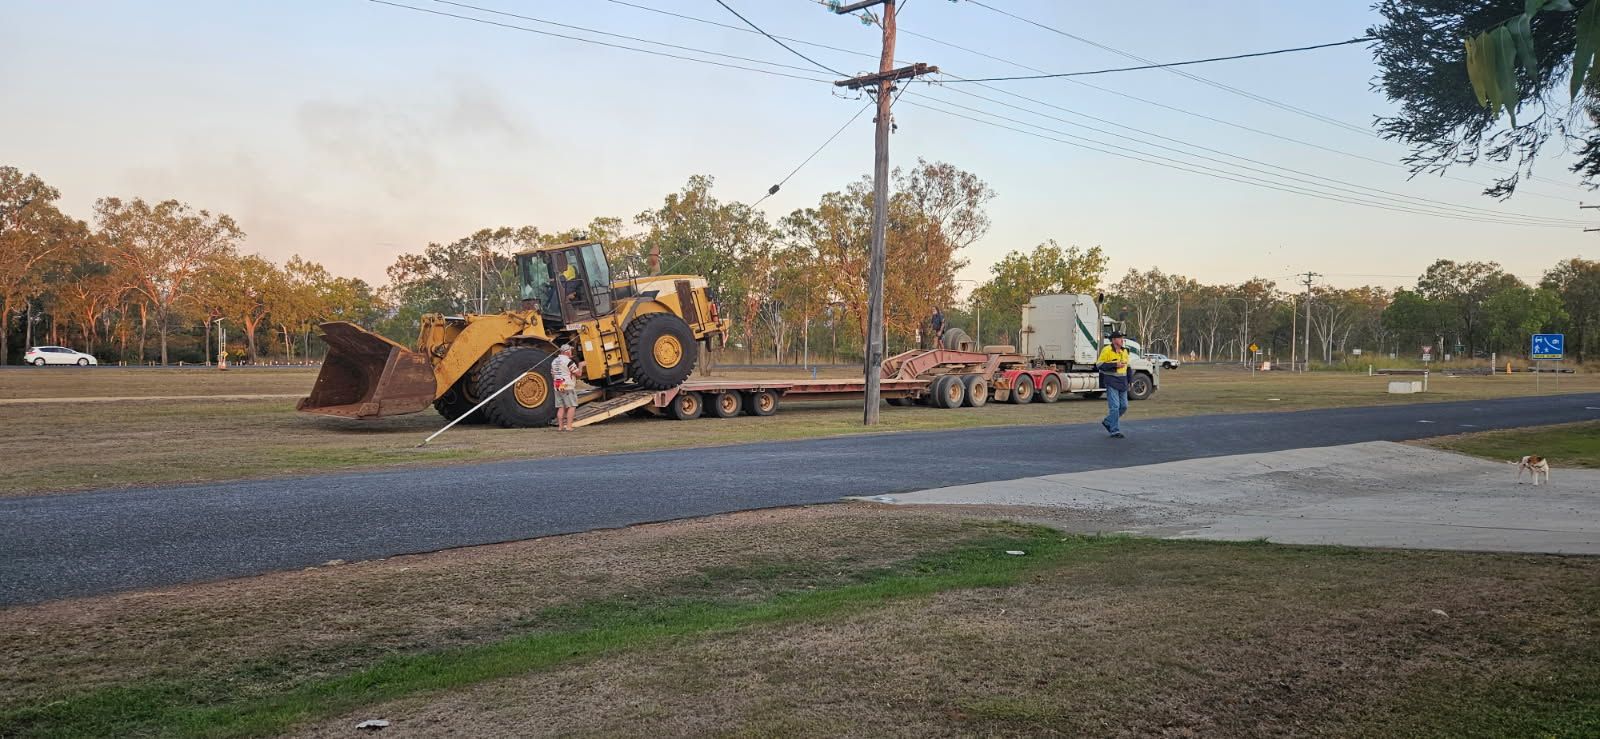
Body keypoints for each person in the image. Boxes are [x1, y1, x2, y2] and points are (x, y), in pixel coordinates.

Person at [1097, 330, 1131, 438]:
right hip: (1111, 381)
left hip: (1123, 382)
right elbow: (1099, 365)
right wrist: (1114, 364)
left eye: (1122, 338)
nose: (1122, 340)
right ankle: (1114, 430)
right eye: (1120, 338)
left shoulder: (1125, 351)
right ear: (1114, 340)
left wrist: (1130, 381)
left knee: (1124, 406)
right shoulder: (1106, 350)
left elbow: (1128, 368)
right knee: (1115, 407)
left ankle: (1108, 421)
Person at [552, 344, 584, 431]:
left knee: (561, 407)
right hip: (567, 385)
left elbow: (552, 373)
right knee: (572, 406)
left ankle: (560, 427)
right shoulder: (568, 361)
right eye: (570, 350)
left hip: (557, 385)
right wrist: (581, 365)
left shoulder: (554, 361)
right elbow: (578, 374)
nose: (571, 352)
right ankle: (569, 426)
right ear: (567, 351)